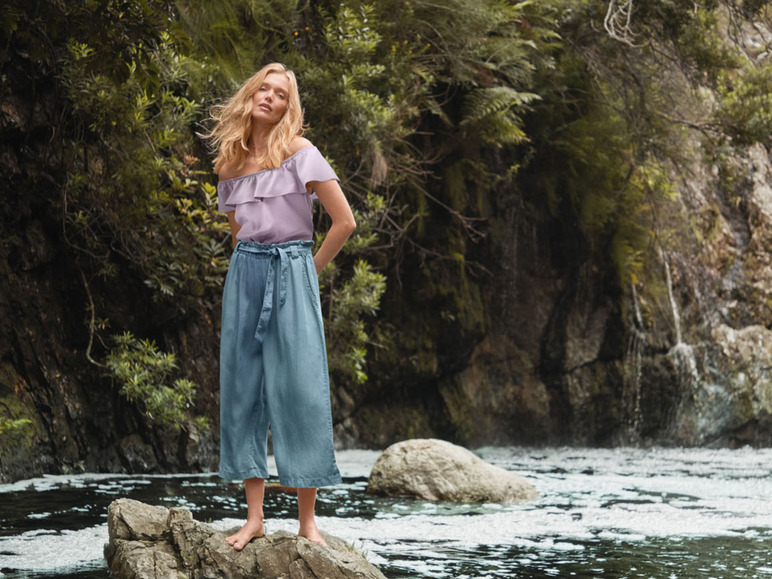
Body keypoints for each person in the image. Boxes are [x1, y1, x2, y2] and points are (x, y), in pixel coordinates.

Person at [204, 62, 356, 550]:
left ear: (290, 107)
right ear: (250, 95)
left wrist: (308, 270)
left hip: (294, 268)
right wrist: (249, 273)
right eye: (263, 89)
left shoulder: (299, 153)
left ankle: (308, 522)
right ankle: (254, 519)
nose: (269, 97)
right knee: (243, 389)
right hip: (246, 273)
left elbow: (343, 222)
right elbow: (236, 234)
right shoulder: (228, 164)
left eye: (281, 94)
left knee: (301, 389)